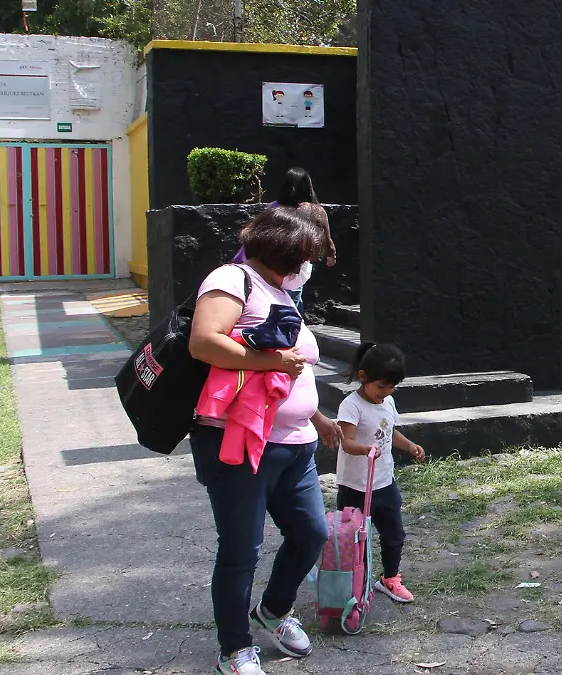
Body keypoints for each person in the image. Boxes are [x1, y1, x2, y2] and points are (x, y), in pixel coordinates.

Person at [188, 205, 342, 675]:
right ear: (284, 252)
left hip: (296, 444)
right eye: (305, 255)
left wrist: (316, 416)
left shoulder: (280, 290)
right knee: (241, 550)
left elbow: (292, 372)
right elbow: (204, 341)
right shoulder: (231, 280)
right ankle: (234, 648)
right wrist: (271, 362)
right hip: (241, 443)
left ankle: (273, 610)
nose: (307, 265)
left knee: (311, 533)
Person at [335, 343, 426, 604]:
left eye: (391, 388)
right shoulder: (351, 406)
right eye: (381, 386)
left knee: (394, 534)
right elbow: (347, 442)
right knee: (356, 538)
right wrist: (366, 450)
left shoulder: (388, 402)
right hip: (355, 486)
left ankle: (390, 578)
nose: (385, 393)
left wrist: (409, 445)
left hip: (384, 482)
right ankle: (356, 582)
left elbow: (389, 431)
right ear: (363, 377)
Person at [233, 167, 337, 314]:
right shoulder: (315, 210)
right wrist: (331, 255)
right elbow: (327, 239)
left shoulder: (275, 207)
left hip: (271, 264)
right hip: (296, 266)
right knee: (293, 299)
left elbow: (252, 231)